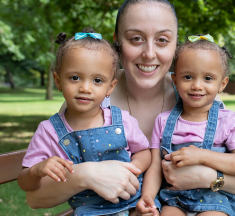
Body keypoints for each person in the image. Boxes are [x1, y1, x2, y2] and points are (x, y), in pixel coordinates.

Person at [25, 0, 235, 213]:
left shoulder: (196, 98)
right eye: (136, 38)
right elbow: (36, 198)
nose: (149, 53)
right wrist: (84, 175)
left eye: (162, 40)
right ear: (117, 41)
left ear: (175, 46)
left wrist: (208, 177)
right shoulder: (93, 99)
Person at [18, 28, 152, 216]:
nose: (85, 88)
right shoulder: (49, 132)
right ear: (57, 80)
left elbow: (144, 152)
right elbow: (25, 182)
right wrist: (37, 170)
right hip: (90, 212)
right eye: (75, 78)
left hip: (133, 203)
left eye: (97, 80)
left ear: (110, 87)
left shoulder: (122, 120)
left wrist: (131, 170)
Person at [136, 35, 235, 216]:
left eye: (207, 78)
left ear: (222, 84)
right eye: (188, 77)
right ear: (175, 81)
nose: (197, 85)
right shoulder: (163, 121)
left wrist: (201, 156)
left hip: (214, 199)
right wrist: (148, 197)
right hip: (174, 198)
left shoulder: (227, 120)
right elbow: (155, 166)